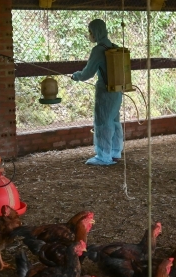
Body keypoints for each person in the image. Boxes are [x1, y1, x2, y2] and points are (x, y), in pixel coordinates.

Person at [71, 19, 123, 166]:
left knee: (102, 123)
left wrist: (77, 76)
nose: (90, 35)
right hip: (117, 90)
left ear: (96, 32)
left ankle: (103, 156)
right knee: (114, 121)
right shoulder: (114, 47)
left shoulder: (98, 50)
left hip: (105, 92)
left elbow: (88, 73)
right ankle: (115, 152)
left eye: (90, 32)